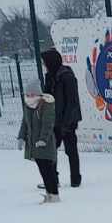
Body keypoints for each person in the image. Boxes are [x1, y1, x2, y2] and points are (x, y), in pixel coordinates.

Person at [41, 47, 83, 188]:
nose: (44, 65)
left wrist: (66, 123)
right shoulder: (50, 77)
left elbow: (72, 102)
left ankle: (75, 179)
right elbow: (47, 97)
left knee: (71, 151)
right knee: (51, 151)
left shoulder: (67, 77)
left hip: (67, 121)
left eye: (45, 62)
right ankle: (53, 180)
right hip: (54, 121)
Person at [19, 86, 60, 201]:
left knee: (48, 169)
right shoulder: (28, 106)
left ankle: (54, 194)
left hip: (45, 144)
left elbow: (47, 124)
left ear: (37, 95)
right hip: (33, 144)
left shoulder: (46, 105)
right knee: (42, 169)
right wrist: (21, 137)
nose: (28, 98)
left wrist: (43, 139)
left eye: (31, 95)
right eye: (27, 95)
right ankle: (49, 193)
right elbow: (25, 123)